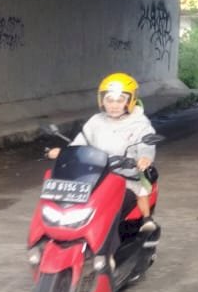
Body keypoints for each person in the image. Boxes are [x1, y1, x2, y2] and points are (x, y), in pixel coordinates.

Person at [47, 72, 158, 232]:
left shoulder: (140, 123)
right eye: (109, 100)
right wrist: (64, 152)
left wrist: (144, 158)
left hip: (125, 175)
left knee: (138, 191)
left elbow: (146, 143)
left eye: (120, 100)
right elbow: (81, 141)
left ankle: (146, 219)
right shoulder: (96, 121)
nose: (114, 105)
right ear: (102, 100)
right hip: (95, 173)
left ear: (130, 100)